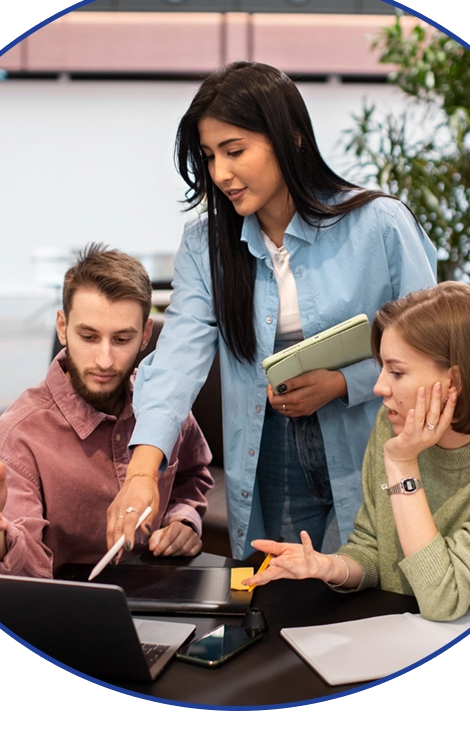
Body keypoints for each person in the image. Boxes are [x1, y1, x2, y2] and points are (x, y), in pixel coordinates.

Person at [108, 61, 437, 560]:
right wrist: (141, 473)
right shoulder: (205, 246)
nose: (220, 174)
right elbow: (176, 360)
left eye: (235, 151)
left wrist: (341, 383)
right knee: (285, 592)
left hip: (375, 442)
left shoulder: (380, 225)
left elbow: (432, 350)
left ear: (292, 138)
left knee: (370, 585)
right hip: (271, 452)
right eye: (209, 156)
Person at [243, 282, 470, 621]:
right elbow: (373, 549)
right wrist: (329, 566)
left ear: (454, 382)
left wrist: (403, 466)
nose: (379, 387)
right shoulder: (393, 422)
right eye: (383, 369)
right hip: (399, 628)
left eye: (397, 372)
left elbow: (446, 599)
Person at [0, 244, 213, 577]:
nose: (105, 360)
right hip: (68, 604)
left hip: (162, 589)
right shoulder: (18, 438)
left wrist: (182, 521)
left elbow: (192, 476)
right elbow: (25, 578)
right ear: (62, 327)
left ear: (146, 334)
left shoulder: (163, 406)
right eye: (89, 337)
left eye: (121, 340)